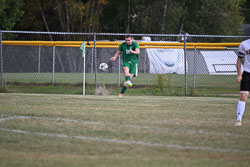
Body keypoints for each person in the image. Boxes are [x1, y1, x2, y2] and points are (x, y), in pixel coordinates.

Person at [235, 38, 250, 126]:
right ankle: (239, 119)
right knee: (243, 95)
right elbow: (239, 60)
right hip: (247, 73)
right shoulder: (244, 44)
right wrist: (239, 74)